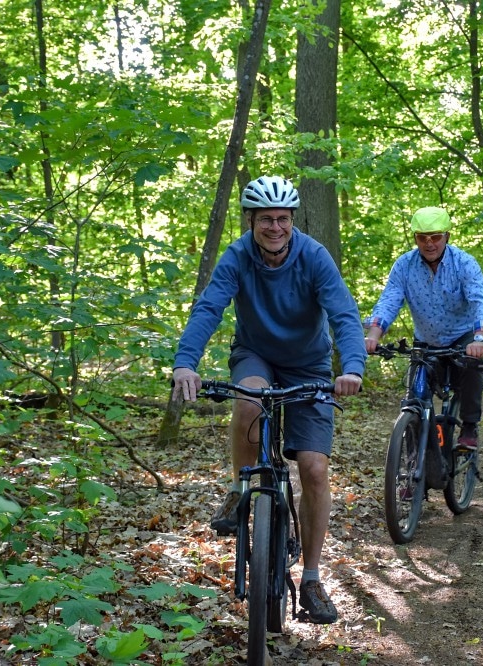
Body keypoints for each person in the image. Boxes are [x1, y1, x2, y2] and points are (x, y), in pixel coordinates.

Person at [171, 175, 365, 625]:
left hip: (309, 365)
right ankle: (241, 489)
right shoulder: (238, 256)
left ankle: (313, 580)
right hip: (255, 354)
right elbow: (209, 308)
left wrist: (351, 367)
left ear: (292, 220)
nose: (274, 227)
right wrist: (186, 362)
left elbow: (343, 314)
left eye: (282, 218)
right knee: (248, 402)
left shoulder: (314, 257)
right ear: (252, 221)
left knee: (314, 469)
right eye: (265, 219)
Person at [363, 206, 483, 450]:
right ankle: (412, 462)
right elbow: (389, 300)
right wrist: (372, 335)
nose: (429, 243)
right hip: (426, 340)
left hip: (462, 336)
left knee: (472, 367)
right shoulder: (404, 265)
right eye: (422, 237)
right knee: (414, 399)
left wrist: (479, 339)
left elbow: (480, 301)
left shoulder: (464, 263)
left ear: (447, 236)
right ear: (415, 239)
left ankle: (469, 426)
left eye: (435, 236)